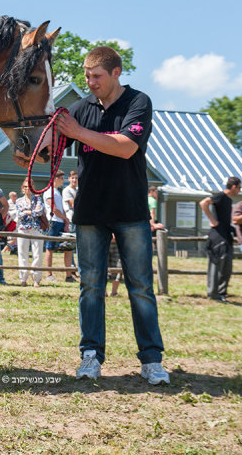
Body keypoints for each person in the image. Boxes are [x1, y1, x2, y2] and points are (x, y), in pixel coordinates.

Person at [57, 46, 169, 385]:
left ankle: (151, 360)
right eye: (87, 76)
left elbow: (125, 147)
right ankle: (90, 356)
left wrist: (77, 132)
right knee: (90, 287)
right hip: (89, 212)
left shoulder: (138, 103)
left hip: (130, 210)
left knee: (140, 287)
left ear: (116, 73)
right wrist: (34, 151)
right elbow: (53, 147)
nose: (90, 82)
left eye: (97, 76)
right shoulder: (80, 109)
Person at [199, 176, 240, 303]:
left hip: (226, 235)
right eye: (239, 187)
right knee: (216, 264)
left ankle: (222, 293)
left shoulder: (228, 200)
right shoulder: (221, 196)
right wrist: (212, 220)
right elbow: (203, 203)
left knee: (226, 266)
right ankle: (213, 293)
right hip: (217, 236)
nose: (239, 190)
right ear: (233, 187)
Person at [43, 171, 76, 282]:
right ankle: (49, 274)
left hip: (61, 222)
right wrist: (65, 219)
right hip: (53, 222)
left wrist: (65, 221)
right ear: (55, 178)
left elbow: (60, 209)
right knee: (50, 248)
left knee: (68, 248)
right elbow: (54, 208)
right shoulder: (49, 192)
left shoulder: (58, 192)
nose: (63, 180)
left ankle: (69, 275)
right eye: (61, 178)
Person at [15, 178, 45, 287]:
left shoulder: (38, 199)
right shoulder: (19, 201)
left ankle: (36, 278)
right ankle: (23, 278)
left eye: (30, 186)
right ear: (23, 188)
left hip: (36, 229)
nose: (28, 189)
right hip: (23, 229)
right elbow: (19, 214)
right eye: (26, 186)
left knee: (37, 254)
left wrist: (27, 212)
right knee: (22, 254)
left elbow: (39, 211)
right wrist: (31, 212)